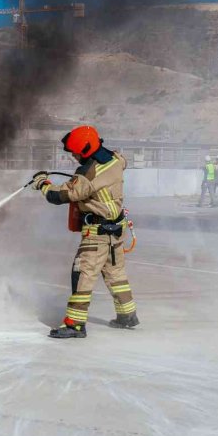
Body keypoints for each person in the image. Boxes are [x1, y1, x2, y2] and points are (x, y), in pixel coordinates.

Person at [32, 125, 138, 339]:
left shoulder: (88, 174)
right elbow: (120, 164)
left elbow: (61, 196)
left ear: (86, 150)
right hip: (116, 230)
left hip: (97, 235)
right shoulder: (117, 159)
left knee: (82, 275)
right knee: (116, 275)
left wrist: (42, 183)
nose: (73, 156)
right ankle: (128, 316)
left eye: (76, 152)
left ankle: (75, 324)